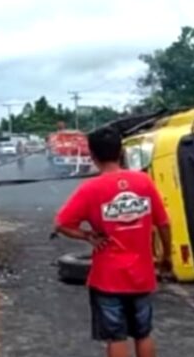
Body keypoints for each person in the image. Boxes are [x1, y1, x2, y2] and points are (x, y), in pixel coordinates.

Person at [54, 126, 172, 357]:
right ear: (120, 152)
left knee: (116, 337)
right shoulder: (144, 182)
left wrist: (88, 236)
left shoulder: (90, 189)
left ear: (92, 156)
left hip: (107, 277)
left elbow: (61, 224)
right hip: (141, 274)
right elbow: (164, 224)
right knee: (143, 333)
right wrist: (166, 256)